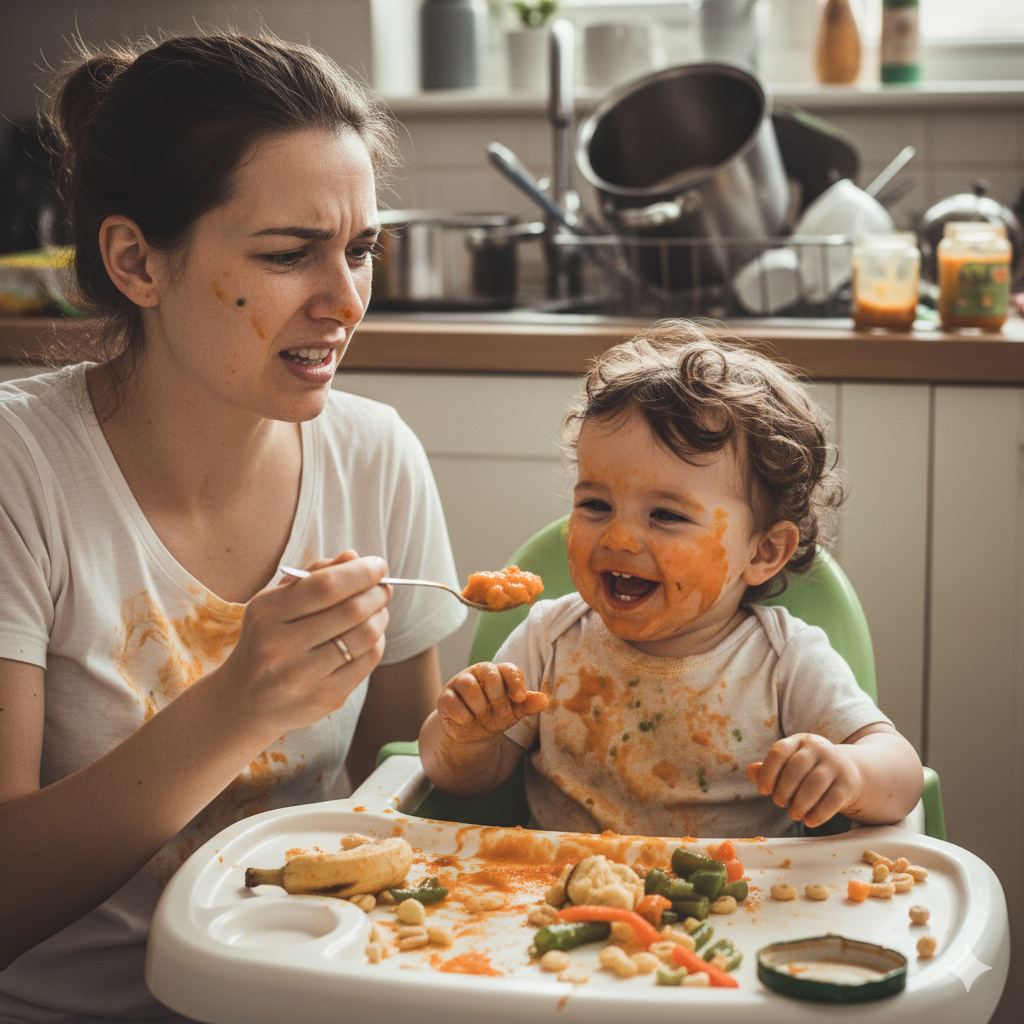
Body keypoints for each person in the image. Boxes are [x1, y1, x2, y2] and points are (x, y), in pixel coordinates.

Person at [0, 32, 466, 1022]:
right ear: (136, 261)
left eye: (360, 250)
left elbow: (402, 793)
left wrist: (491, 744)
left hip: (303, 991)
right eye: (289, 255)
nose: (345, 302)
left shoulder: (375, 455)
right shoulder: (19, 471)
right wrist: (238, 708)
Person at [420, 322, 923, 839]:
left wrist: (850, 772)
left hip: (739, 887)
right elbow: (459, 782)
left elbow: (903, 775)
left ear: (764, 551)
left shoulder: (784, 662)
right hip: (553, 881)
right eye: (595, 505)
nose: (618, 538)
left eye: (665, 515)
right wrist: (464, 736)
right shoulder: (549, 640)